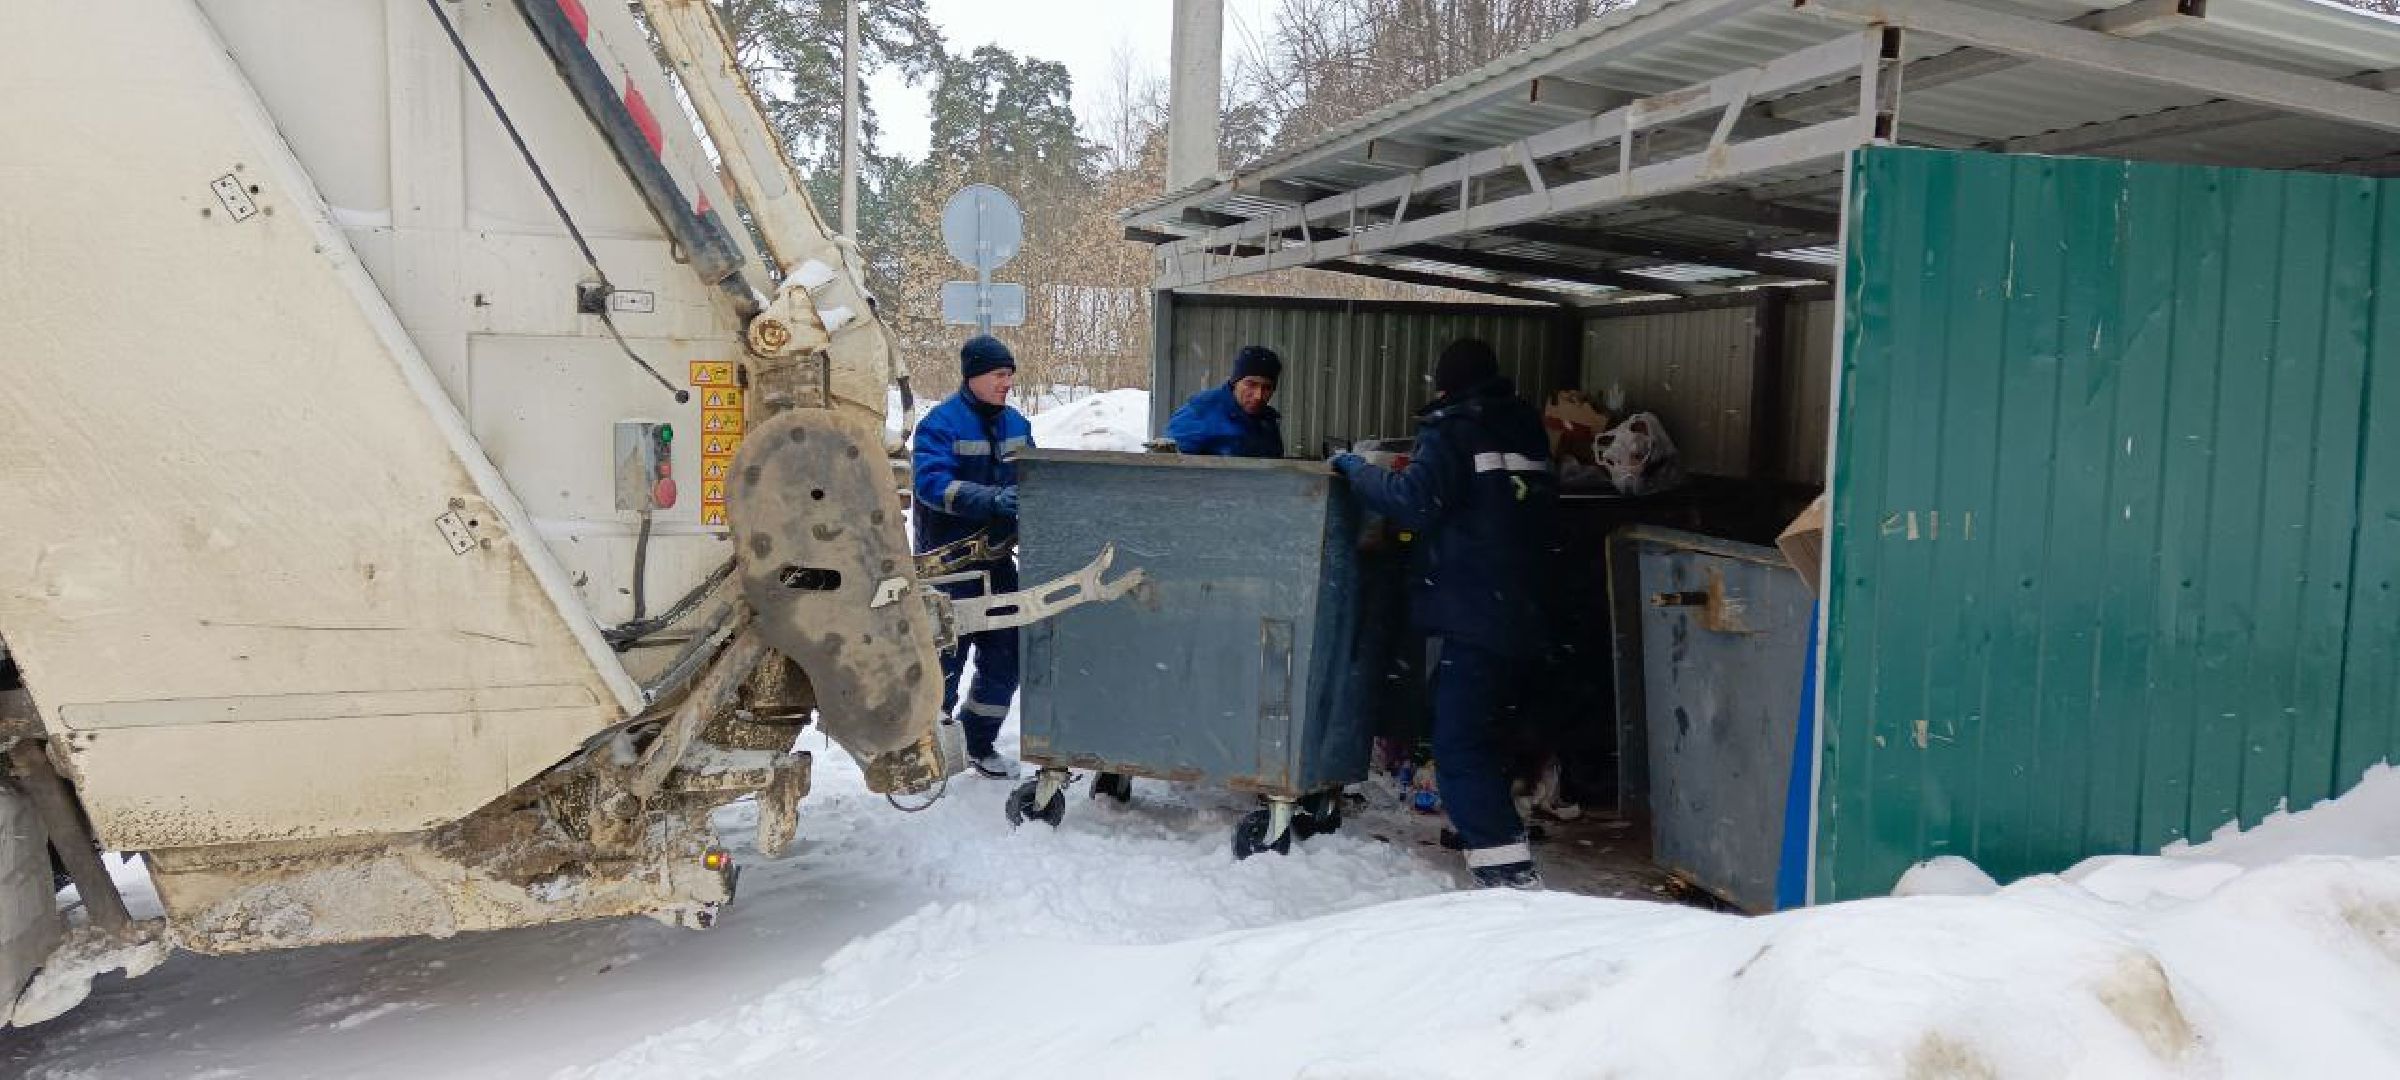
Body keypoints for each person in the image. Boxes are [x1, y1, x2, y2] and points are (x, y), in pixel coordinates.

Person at [1329, 339, 1555, 890]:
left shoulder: (1455, 429)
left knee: (1457, 737)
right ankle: (1480, 825)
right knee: (1489, 724)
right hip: (1527, 605)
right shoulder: (1523, 426)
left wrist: (1354, 467)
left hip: (1476, 608)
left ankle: (1504, 865)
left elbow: (1412, 501)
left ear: (1445, 384)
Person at [912, 334, 1035, 778]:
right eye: (1000, 375)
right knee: (944, 662)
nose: (1008, 383)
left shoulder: (1017, 425)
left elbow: (1035, 480)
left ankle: (978, 741)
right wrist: (989, 500)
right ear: (974, 376)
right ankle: (928, 749)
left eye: (1010, 375)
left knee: (1006, 656)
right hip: (947, 567)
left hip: (998, 564)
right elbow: (932, 486)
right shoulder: (940, 425)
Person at [1166, 345, 1286, 458]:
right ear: (1235, 382)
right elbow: (1169, 467)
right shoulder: (1200, 412)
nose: (1258, 396)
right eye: (1251, 384)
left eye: (1267, 388)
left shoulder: (1267, 421)